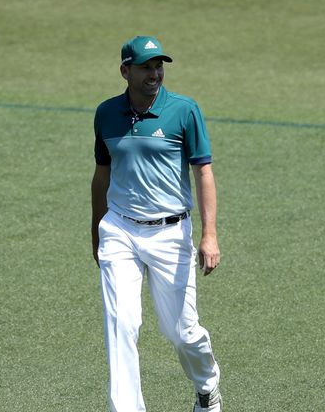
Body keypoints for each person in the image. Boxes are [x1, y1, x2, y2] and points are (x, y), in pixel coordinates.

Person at [90, 35, 222, 412]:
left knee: (181, 333)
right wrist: (96, 229)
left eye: (158, 66)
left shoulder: (183, 110)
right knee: (121, 326)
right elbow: (101, 175)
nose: (154, 73)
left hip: (170, 232)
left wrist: (210, 235)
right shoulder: (106, 113)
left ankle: (207, 384)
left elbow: (204, 172)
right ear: (125, 71)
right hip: (119, 229)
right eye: (146, 67)